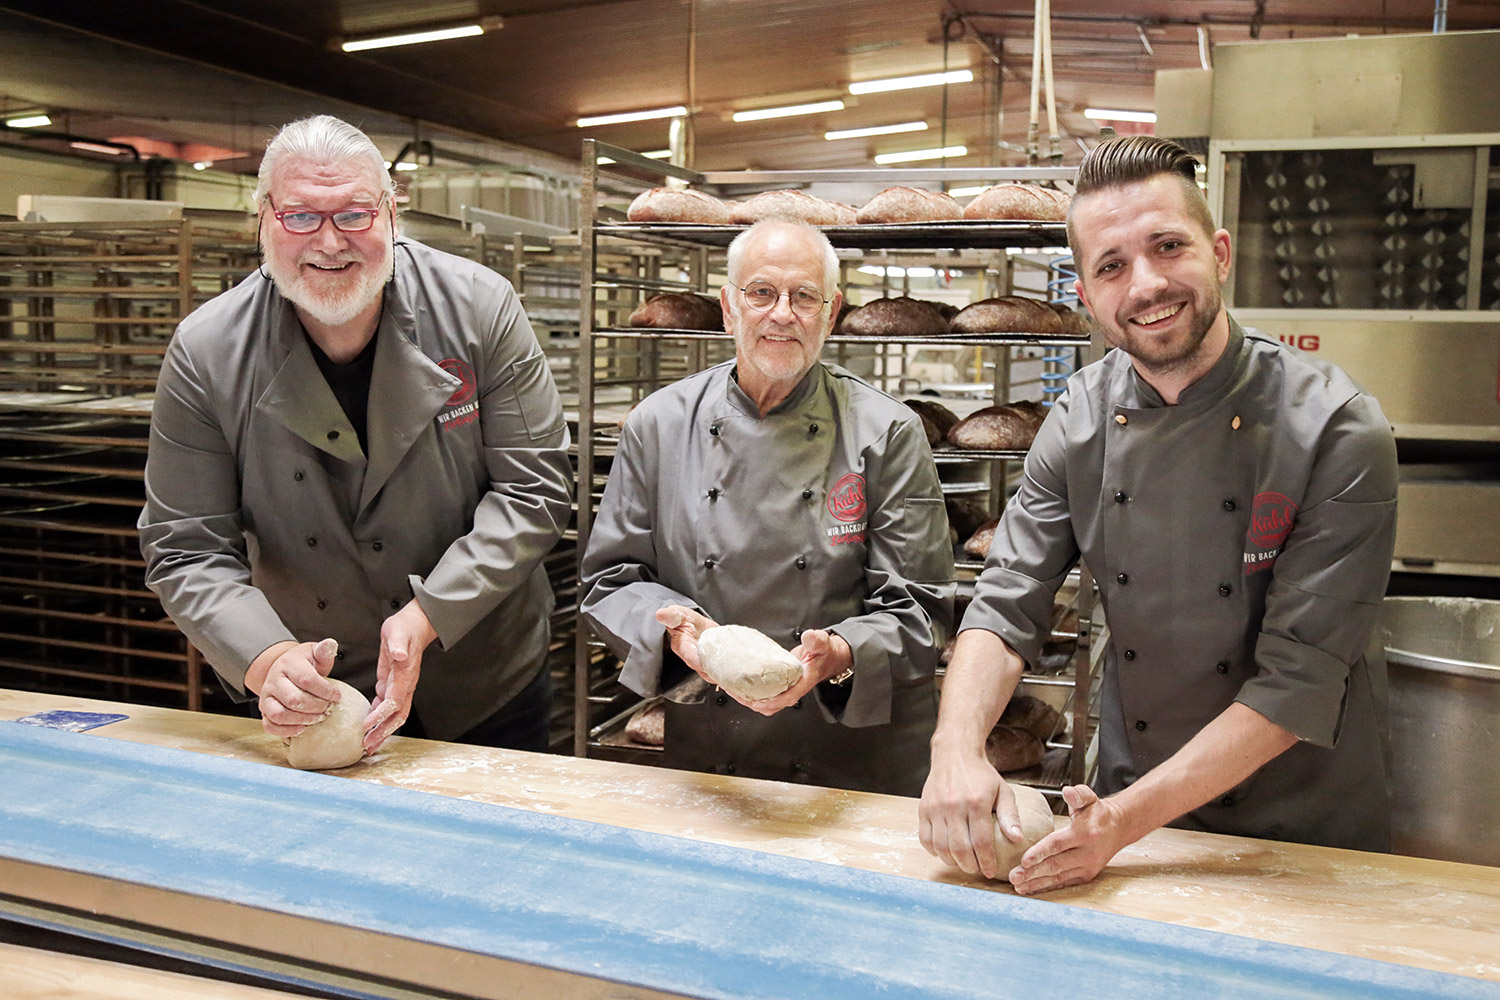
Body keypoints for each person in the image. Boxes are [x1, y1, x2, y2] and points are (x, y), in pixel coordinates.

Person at [918, 135, 1398, 893]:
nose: (1145, 284)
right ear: (1086, 292)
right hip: (1129, 818)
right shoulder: (1076, 420)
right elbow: (1007, 600)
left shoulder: (1335, 427)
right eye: (1111, 264)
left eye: (1167, 246)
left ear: (1219, 252)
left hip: (1302, 835)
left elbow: (1296, 681)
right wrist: (955, 749)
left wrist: (1121, 822)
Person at [139, 115, 572, 755]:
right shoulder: (207, 352)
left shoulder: (481, 308)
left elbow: (534, 490)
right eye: (301, 216)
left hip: (484, 673)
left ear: (391, 214)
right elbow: (186, 545)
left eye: (354, 214)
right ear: (263, 219)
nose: (330, 241)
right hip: (316, 687)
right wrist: (265, 657)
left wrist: (429, 616)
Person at [580, 219, 954, 795]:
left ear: (830, 316)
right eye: (761, 293)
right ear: (729, 308)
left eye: (804, 296)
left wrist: (840, 652)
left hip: (850, 757)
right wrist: (680, 637)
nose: (782, 313)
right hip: (711, 746)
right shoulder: (659, 424)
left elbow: (921, 608)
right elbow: (611, 582)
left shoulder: (888, 432)